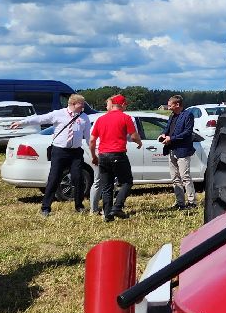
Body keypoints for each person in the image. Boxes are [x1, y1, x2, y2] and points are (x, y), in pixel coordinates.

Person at [20, 93, 94, 216]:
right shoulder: (58, 114)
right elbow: (40, 119)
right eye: (81, 104)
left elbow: (88, 137)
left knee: (78, 178)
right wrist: (22, 122)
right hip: (60, 151)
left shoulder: (84, 117)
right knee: (54, 178)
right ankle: (46, 208)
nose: (83, 107)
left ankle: (79, 206)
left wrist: (94, 151)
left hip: (76, 152)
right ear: (73, 104)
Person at [90, 93, 142, 222]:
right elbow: (134, 136)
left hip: (102, 155)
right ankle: (117, 207)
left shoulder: (100, 119)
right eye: (125, 105)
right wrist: (139, 142)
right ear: (122, 104)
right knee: (127, 182)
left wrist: (94, 156)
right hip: (118, 153)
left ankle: (108, 214)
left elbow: (92, 140)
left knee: (106, 186)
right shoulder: (126, 118)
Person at [157, 94, 198, 211]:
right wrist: (163, 134)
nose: (168, 107)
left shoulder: (188, 115)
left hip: (182, 150)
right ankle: (180, 202)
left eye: (170, 105)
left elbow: (187, 132)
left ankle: (192, 202)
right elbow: (167, 129)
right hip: (171, 150)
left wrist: (172, 138)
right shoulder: (172, 116)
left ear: (177, 104)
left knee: (185, 177)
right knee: (175, 178)